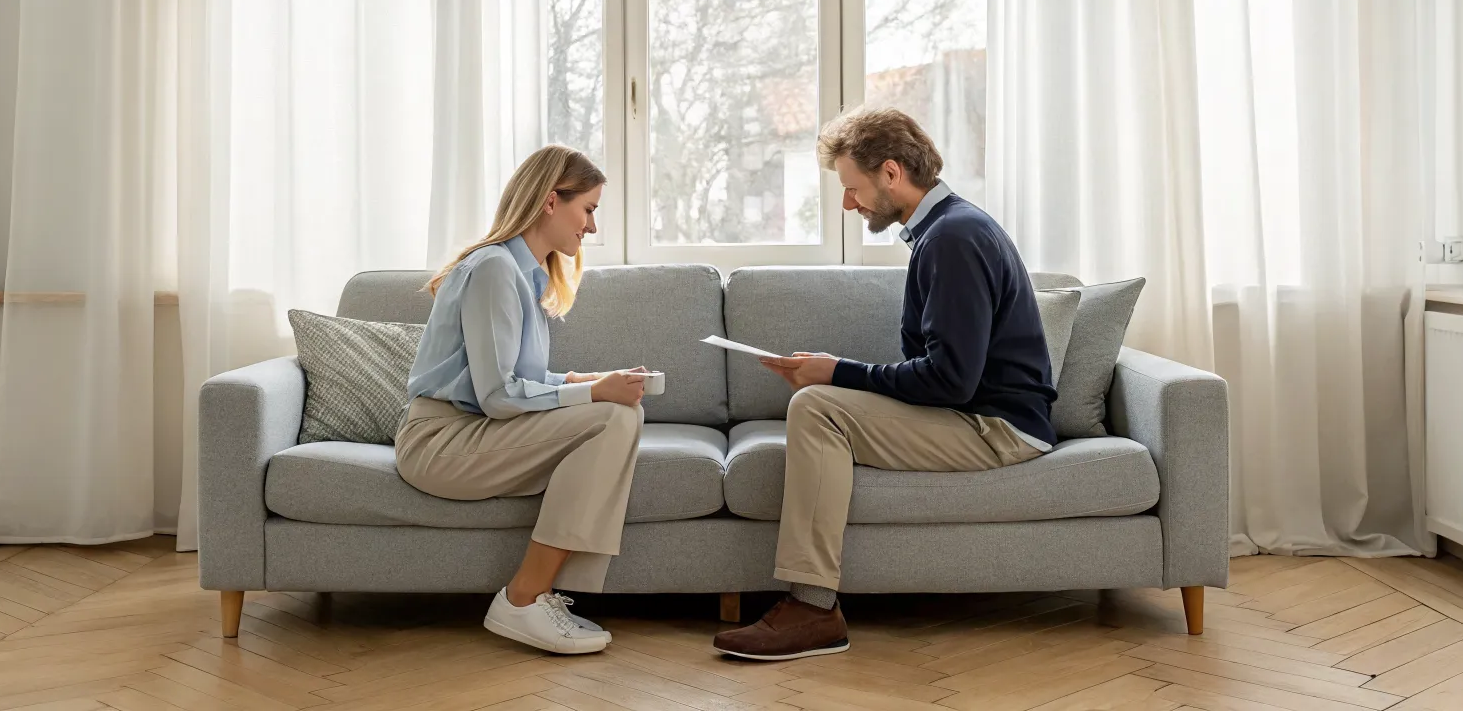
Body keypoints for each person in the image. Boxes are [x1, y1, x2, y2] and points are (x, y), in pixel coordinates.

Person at [712, 107, 1058, 661]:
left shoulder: (953, 239)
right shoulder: (945, 232)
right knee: (821, 397)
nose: (849, 203)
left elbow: (950, 380)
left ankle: (812, 608)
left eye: (852, 188)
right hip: (978, 414)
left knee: (817, 406)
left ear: (891, 173)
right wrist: (835, 372)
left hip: (997, 427)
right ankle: (812, 608)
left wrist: (836, 372)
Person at [398, 144, 649, 655]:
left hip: (475, 432)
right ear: (551, 201)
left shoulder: (523, 275)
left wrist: (581, 379)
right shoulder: (493, 269)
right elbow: (497, 396)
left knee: (618, 413)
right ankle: (522, 599)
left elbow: (513, 378)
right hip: (442, 442)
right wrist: (591, 393)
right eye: (590, 209)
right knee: (612, 419)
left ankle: (538, 595)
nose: (592, 228)